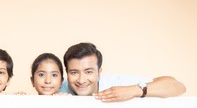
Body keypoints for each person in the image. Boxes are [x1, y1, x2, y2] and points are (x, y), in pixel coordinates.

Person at [58, 42, 186, 102]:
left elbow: (178, 86)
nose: (81, 80)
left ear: (99, 72)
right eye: (74, 72)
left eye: (89, 72)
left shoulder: (116, 85)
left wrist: (132, 91)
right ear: (67, 73)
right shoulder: (58, 88)